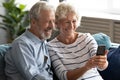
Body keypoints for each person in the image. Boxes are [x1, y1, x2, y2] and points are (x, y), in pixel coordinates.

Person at [47, 1, 108, 80]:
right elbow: (64, 77)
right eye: (67, 22)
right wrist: (86, 67)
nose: (71, 26)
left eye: (74, 21)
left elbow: (101, 67)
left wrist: (103, 62)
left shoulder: (87, 38)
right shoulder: (51, 47)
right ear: (57, 23)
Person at [5, 1, 55, 80]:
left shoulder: (42, 41)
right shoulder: (21, 44)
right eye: (48, 21)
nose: (52, 26)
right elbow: (33, 77)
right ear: (33, 22)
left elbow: (48, 72)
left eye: (53, 21)